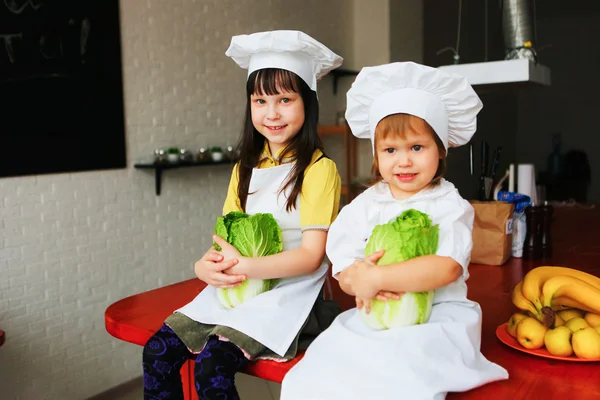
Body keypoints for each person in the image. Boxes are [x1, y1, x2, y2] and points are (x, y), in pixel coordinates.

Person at [280, 62, 509, 399]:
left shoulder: (450, 205)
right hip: (376, 312)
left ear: (441, 149)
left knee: (403, 375)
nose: (403, 161)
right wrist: (355, 279)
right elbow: (344, 262)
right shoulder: (366, 204)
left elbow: (446, 267)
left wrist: (380, 279)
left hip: (437, 316)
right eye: (390, 150)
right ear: (376, 153)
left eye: (417, 148)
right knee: (318, 372)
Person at [142, 30, 343, 400]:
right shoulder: (244, 168)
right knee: (157, 353)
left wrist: (246, 268)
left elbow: (312, 256)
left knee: (211, 367)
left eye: (285, 99)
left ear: (307, 105)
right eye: (260, 100)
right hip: (238, 288)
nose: (271, 113)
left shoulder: (319, 170)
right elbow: (225, 239)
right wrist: (203, 266)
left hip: (291, 295)